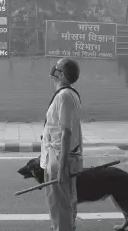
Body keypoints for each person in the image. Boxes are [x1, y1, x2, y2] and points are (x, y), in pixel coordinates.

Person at [40, 58, 84, 231]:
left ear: (62, 75)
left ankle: (63, 228)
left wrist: (62, 168)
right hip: (60, 155)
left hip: (60, 158)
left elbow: (66, 132)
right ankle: (66, 226)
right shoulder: (68, 94)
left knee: (59, 203)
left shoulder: (65, 96)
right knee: (67, 200)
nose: (53, 70)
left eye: (57, 68)